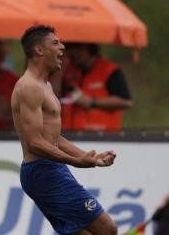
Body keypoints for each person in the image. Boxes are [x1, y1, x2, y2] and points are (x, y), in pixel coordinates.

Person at [11, 25, 118, 235]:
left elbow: (54, 139)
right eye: (55, 43)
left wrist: (93, 159)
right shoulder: (29, 87)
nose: (63, 47)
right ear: (39, 50)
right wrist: (77, 162)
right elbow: (34, 143)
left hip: (49, 169)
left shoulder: (45, 86)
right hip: (43, 172)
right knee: (107, 229)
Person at [60, 42, 133, 131]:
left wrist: (92, 102)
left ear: (91, 48)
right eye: (70, 48)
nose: (73, 52)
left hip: (101, 138)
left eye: (78, 48)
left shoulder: (110, 71)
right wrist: (59, 69)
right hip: (69, 135)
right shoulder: (66, 70)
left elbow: (126, 102)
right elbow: (55, 94)